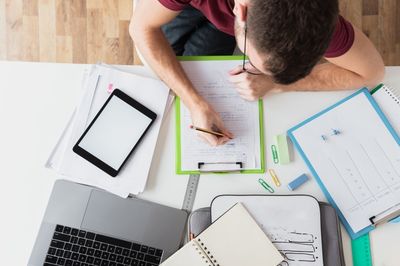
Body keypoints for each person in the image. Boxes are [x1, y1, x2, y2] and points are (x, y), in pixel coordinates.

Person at [130, 0, 385, 146]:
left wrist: (278, 85)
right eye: (248, 58)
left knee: (189, 66)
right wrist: (194, 103)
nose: (248, 66)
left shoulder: (313, 16)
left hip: (224, 16)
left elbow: (372, 73)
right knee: (162, 62)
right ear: (241, 12)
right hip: (192, 7)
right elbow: (141, 28)